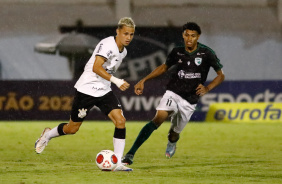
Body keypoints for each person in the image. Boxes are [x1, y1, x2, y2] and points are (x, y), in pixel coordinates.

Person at [35, 17, 136, 171]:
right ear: (118, 32)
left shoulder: (124, 51)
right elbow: (96, 67)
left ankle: (118, 164)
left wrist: (111, 82)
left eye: (131, 34)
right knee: (72, 128)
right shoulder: (107, 45)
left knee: (120, 121)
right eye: (125, 34)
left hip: (104, 90)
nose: (128, 37)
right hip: (86, 90)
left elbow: (106, 71)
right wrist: (116, 80)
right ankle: (47, 135)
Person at [122, 22, 225, 165]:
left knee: (173, 134)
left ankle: (172, 142)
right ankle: (130, 154)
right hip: (174, 92)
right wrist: (143, 80)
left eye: (193, 36)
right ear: (183, 35)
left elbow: (221, 75)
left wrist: (207, 88)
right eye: (187, 35)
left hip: (190, 100)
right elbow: (164, 67)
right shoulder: (177, 52)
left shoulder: (207, 53)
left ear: (198, 37)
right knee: (158, 118)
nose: (189, 39)